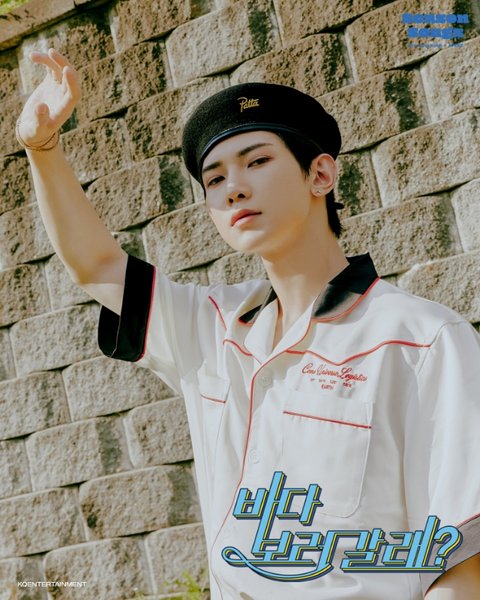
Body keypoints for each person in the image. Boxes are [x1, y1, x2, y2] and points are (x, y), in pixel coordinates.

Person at [17, 48, 480, 599]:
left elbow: (460, 557)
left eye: (256, 162)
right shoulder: (212, 328)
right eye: (214, 179)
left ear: (320, 174)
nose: (233, 187)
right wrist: (42, 150)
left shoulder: (422, 340)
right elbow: (97, 267)